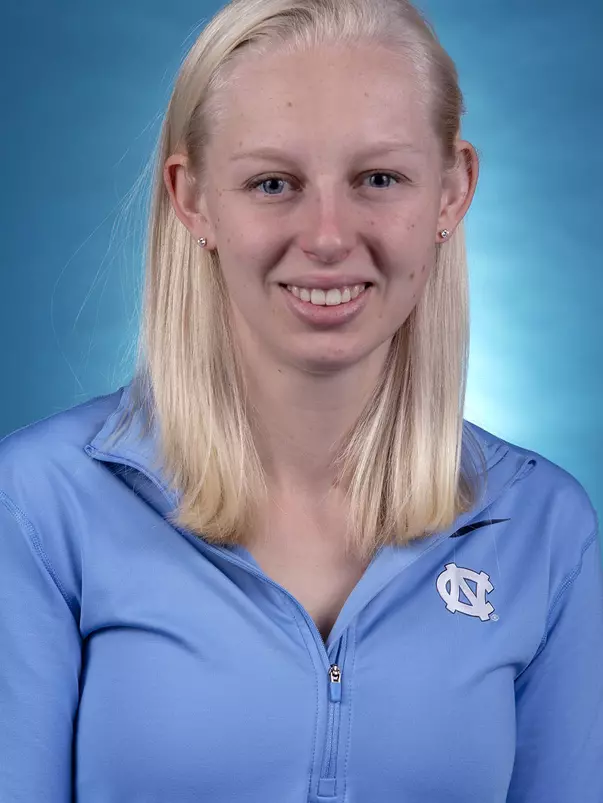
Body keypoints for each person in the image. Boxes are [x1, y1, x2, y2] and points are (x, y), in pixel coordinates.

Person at [1, 0, 602, 800]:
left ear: (452, 192)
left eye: (378, 178)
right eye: (273, 182)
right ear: (193, 198)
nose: (325, 236)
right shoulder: (40, 505)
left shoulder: (544, 528)